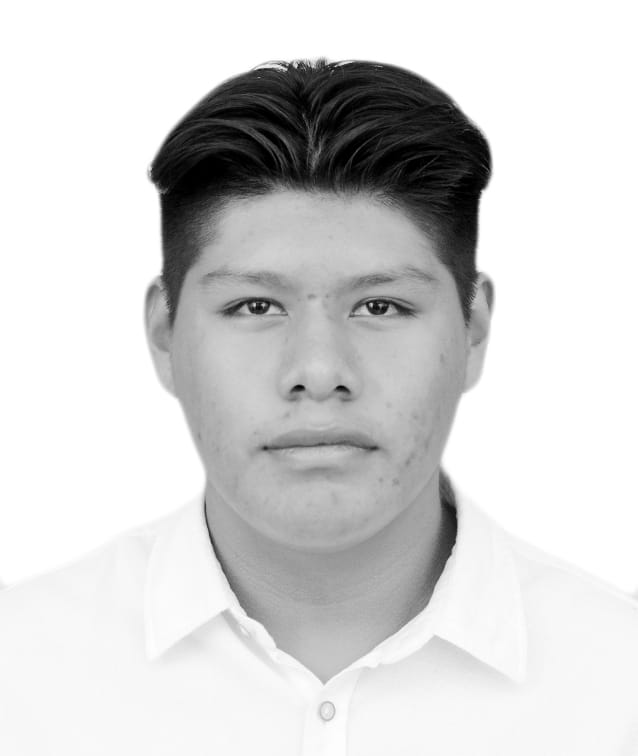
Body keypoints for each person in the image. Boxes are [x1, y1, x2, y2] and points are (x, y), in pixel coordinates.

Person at [1, 58, 637, 755]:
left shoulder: (618, 685)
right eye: (254, 306)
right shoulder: (20, 677)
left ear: (474, 329)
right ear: (164, 334)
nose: (318, 371)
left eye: (380, 306)